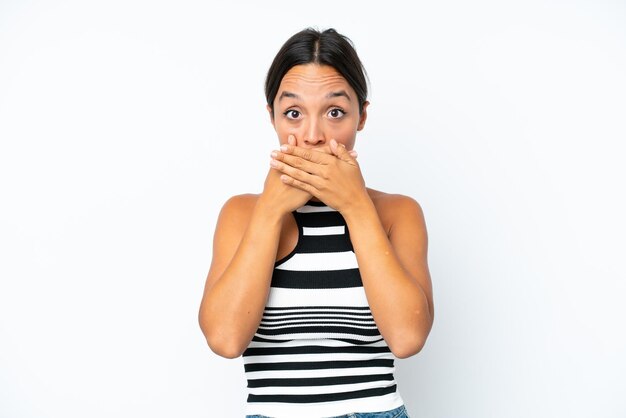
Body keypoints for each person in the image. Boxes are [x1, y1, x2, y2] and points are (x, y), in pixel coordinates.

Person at [198, 27, 434, 418]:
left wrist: (356, 206)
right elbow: (225, 340)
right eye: (293, 113)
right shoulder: (242, 214)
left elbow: (407, 339)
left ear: (362, 116)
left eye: (335, 112)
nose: (312, 136)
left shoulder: (397, 213)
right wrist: (271, 210)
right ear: (271, 116)